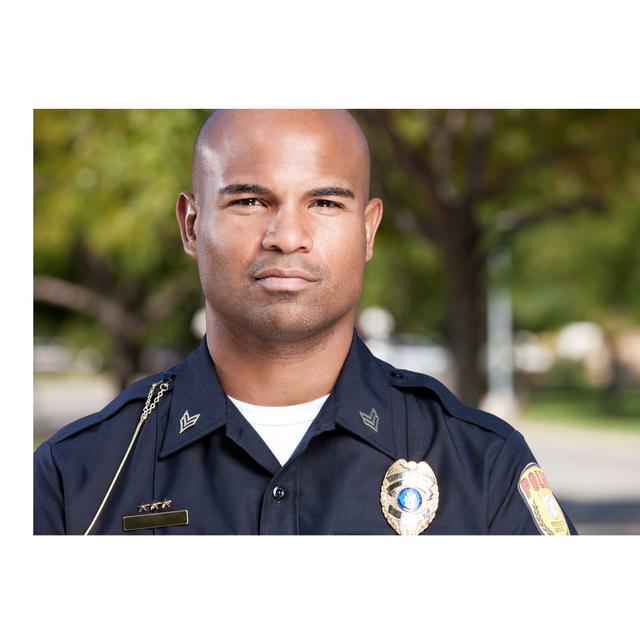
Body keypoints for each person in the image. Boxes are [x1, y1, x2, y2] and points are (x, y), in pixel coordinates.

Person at [34, 109, 577, 535]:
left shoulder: (484, 467)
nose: (287, 236)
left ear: (368, 230)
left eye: (323, 202)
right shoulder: (76, 477)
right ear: (192, 226)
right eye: (249, 200)